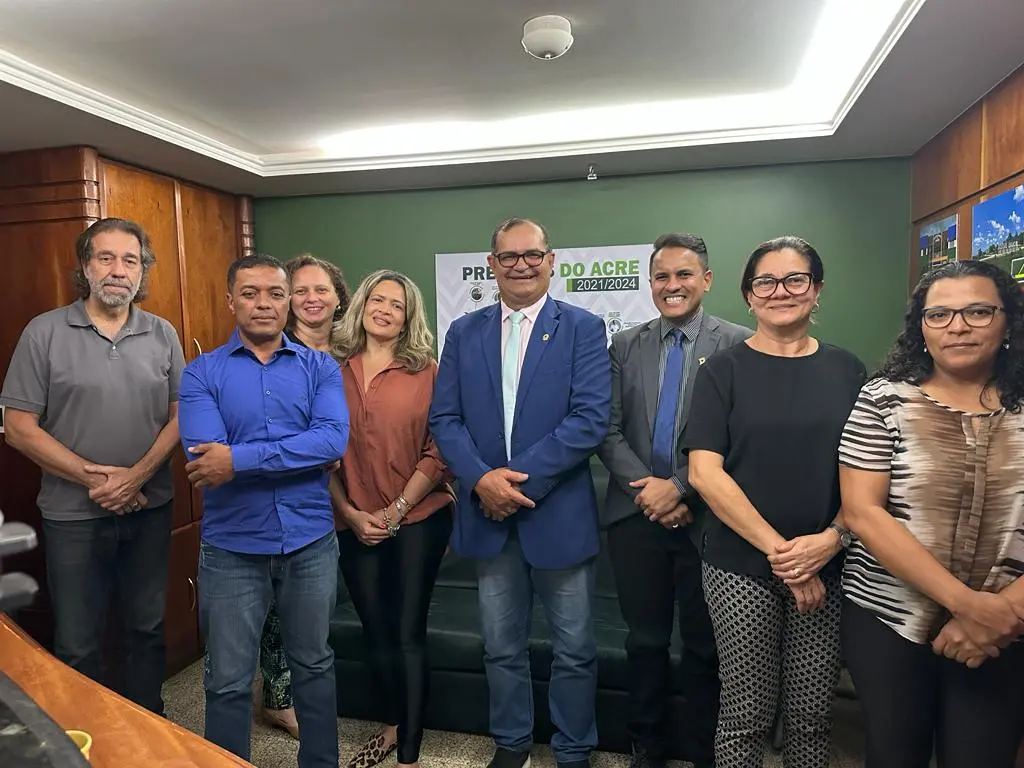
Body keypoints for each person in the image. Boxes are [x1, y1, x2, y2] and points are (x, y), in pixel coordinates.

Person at [429, 217, 611, 768]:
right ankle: (511, 744)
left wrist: (510, 481)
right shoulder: (464, 332)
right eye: (508, 257)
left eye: (532, 255)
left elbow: (589, 420)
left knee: (574, 649)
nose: (521, 265)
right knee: (500, 646)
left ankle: (573, 749)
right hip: (488, 515)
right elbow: (445, 418)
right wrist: (482, 481)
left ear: (551, 261)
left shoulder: (582, 328)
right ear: (492, 265)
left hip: (557, 515)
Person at [686, 236, 865, 768]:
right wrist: (786, 557)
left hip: (828, 563)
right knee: (746, 715)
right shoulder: (721, 371)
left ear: (817, 289)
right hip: (739, 567)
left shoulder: (849, 371)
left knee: (812, 716)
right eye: (765, 282)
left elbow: (866, 476)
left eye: (795, 280)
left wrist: (828, 543)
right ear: (748, 295)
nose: (780, 291)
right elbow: (704, 473)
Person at [838, 260, 1024, 768]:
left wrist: (1001, 614)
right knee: (895, 754)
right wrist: (967, 604)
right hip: (890, 618)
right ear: (920, 328)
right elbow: (862, 512)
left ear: (1008, 321)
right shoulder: (883, 399)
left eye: (978, 312)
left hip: (1006, 625)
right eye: (939, 315)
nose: (957, 326)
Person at [0, 217, 184, 715]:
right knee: (78, 640)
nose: (119, 270)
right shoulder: (43, 332)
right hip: (73, 516)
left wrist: (137, 476)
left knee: (145, 630)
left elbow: (182, 415)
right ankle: (89, 738)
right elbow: (18, 427)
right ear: (86, 267)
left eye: (131, 260)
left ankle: (148, 727)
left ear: (142, 271)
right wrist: (97, 479)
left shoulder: (162, 333)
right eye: (106, 258)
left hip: (149, 510)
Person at [177, 254, 348, 768]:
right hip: (232, 548)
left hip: (309, 541)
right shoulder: (201, 373)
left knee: (314, 665)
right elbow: (205, 459)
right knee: (227, 679)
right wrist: (295, 454)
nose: (264, 304)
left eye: (276, 293)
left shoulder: (321, 367)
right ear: (231, 301)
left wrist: (239, 459)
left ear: (288, 301)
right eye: (250, 293)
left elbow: (332, 441)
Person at [597, 233, 750, 768]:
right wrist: (651, 492)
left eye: (684, 274)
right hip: (635, 517)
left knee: (706, 644)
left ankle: (705, 747)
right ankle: (647, 744)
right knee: (644, 642)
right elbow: (606, 430)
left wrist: (681, 488)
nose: (672, 285)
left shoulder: (737, 344)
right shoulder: (625, 345)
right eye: (661, 276)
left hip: (708, 519)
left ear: (706, 279)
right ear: (650, 283)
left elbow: (739, 435)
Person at [328, 269, 454, 768]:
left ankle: (408, 755)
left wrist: (397, 509)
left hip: (419, 516)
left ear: (408, 318)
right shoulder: (330, 369)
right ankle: (392, 723)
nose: (384, 310)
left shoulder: (427, 372)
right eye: (377, 300)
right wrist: (351, 513)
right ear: (361, 305)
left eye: (396, 305)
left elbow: (439, 450)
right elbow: (320, 454)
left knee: (406, 633)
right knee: (375, 631)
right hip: (352, 519)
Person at [258, 252, 350, 738]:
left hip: (360, 494)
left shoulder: (355, 348)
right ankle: (279, 699)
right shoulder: (272, 349)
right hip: (293, 494)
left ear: (339, 298)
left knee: (321, 613)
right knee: (281, 609)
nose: (312, 299)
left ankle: (322, 694)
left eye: (322, 289)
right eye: (301, 290)